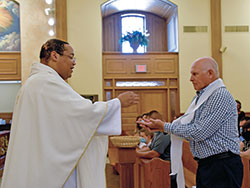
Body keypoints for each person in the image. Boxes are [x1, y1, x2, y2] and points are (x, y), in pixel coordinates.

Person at [1, 39, 139, 188]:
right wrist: (117, 103)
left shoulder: (35, 83)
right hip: (48, 169)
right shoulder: (46, 83)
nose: (74, 63)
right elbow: (83, 114)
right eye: (71, 57)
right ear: (55, 55)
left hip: (39, 162)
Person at [139, 57, 243, 188]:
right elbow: (189, 126)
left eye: (195, 74)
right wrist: (160, 127)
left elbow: (199, 132)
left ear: (210, 73)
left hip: (221, 164)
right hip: (209, 164)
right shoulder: (202, 96)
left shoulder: (219, 95)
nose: (191, 79)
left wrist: (164, 126)